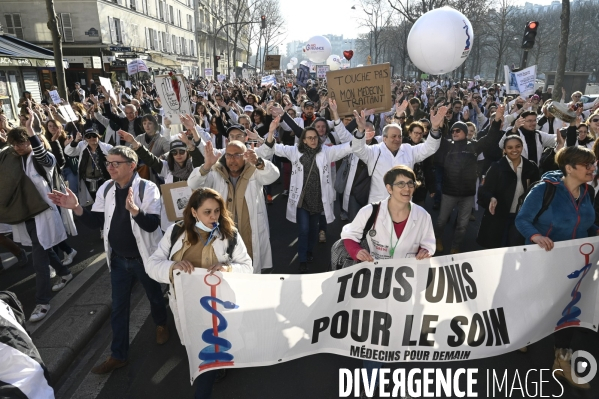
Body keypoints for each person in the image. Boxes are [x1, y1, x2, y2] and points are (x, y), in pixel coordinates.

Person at [48, 146, 169, 374]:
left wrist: (135, 211)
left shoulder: (147, 188)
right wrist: (76, 207)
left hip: (144, 259)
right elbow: (96, 222)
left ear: (131, 166)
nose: (110, 167)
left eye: (116, 163)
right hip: (118, 260)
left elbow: (152, 225)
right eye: (108, 163)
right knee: (118, 309)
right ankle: (118, 355)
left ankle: (161, 323)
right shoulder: (106, 188)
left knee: (154, 296)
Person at [146, 187, 252, 399]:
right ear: (194, 212)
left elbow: (247, 267)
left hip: (217, 308)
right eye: (207, 212)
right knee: (196, 346)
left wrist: (228, 269)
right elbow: (152, 264)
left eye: (217, 211)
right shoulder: (176, 232)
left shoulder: (229, 234)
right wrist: (172, 267)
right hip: (188, 307)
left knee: (210, 356)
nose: (213, 217)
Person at [340, 165, 435, 396]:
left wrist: (424, 250)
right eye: (401, 184)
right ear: (389, 188)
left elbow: (429, 242)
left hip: (404, 282)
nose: (407, 188)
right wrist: (357, 253)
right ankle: (371, 381)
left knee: (396, 326)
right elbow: (349, 235)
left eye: (410, 183)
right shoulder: (370, 211)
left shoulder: (422, 215)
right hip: (374, 279)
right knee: (374, 331)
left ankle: (388, 359)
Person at [515, 145, 597, 390]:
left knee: (569, 308)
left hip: (575, 263)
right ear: (569, 168)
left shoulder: (588, 192)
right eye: (587, 165)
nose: (593, 168)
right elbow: (522, 220)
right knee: (536, 301)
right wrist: (536, 237)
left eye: (593, 163)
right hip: (543, 260)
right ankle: (523, 332)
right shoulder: (544, 190)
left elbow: (587, 226)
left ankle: (561, 358)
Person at [262, 116, 353, 273]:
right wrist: (270, 133)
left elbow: (346, 148)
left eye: (315, 138)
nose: (313, 140)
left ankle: (309, 250)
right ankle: (302, 258)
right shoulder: (295, 151)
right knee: (303, 229)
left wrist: (360, 136)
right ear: (303, 140)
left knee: (313, 228)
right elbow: (277, 148)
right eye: (309, 138)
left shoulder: (327, 152)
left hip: (318, 198)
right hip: (301, 200)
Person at [6, 118, 74, 322]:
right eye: (14, 144)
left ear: (31, 141)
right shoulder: (16, 160)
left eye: (21, 142)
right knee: (43, 247)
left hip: (43, 213)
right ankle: (65, 272)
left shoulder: (42, 158)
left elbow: (45, 159)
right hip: (26, 214)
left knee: (39, 259)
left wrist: (31, 131)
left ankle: (42, 301)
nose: (17, 147)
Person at [188, 139, 279, 273]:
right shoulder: (215, 172)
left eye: (237, 155)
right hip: (224, 229)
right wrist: (207, 165)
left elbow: (273, 175)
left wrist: (259, 162)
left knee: (250, 267)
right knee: (225, 268)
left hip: (249, 230)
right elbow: (193, 184)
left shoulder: (254, 170)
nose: (232, 159)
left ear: (245, 155)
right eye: (229, 155)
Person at [434, 106, 507, 254]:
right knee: (441, 220)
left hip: (468, 193)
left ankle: (455, 246)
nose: (454, 133)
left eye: (458, 130)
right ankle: (437, 238)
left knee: (462, 224)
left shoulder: (474, 146)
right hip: (449, 192)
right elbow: (437, 137)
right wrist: (438, 122)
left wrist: (497, 119)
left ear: (466, 133)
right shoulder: (447, 145)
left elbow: (490, 137)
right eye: (453, 131)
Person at [351, 105, 445, 204]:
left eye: (399, 136)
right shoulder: (374, 151)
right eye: (393, 136)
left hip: (403, 205)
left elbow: (430, 148)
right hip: (379, 204)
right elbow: (358, 149)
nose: (397, 139)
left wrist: (434, 128)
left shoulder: (409, 150)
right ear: (384, 138)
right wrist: (361, 130)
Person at [476, 135, 540, 248]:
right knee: (496, 249)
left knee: (514, 249)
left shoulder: (531, 167)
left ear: (522, 147)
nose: (514, 150)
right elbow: (484, 191)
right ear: (504, 150)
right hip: (498, 217)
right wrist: (491, 198)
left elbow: (537, 192)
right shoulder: (497, 167)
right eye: (510, 147)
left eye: (517, 146)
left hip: (521, 218)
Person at [64, 127, 112, 205]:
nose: (91, 138)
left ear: (98, 136)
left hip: (103, 180)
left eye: (94, 136)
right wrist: (75, 141)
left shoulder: (107, 147)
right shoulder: (81, 145)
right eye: (88, 136)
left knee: (105, 201)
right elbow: (68, 152)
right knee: (92, 202)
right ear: (85, 138)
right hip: (87, 181)